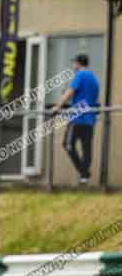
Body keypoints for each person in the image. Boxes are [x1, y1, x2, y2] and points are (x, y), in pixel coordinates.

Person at [52, 54, 100, 184]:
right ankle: (84, 176)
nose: (73, 66)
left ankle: (84, 173)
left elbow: (70, 92)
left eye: (74, 63)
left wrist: (57, 107)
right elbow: (91, 98)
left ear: (78, 63)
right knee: (86, 148)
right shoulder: (94, 79)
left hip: (77, 117)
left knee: (68, 145)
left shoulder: (80, 75)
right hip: (90, 119)